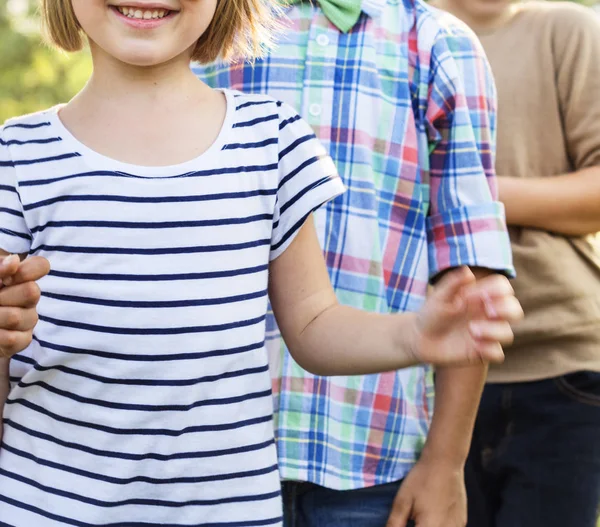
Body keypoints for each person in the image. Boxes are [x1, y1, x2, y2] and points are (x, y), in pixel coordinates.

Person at [0, 0, 524, 525]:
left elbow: (315, 324)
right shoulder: (16, 157)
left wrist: (413, 335)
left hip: (228, 513)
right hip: (44, 509)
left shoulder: (272, 141)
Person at [194, 1, 515, 525]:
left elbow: (469, 266)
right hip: (210, 449)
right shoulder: (206, 22)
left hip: (371, 454)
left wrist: (446, 461)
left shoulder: (438, 45)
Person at [429, 0, 600, 525]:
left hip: (562, 366)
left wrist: (469, 193)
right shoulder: (407, 31)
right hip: (422, 373)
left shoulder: (568, 30)